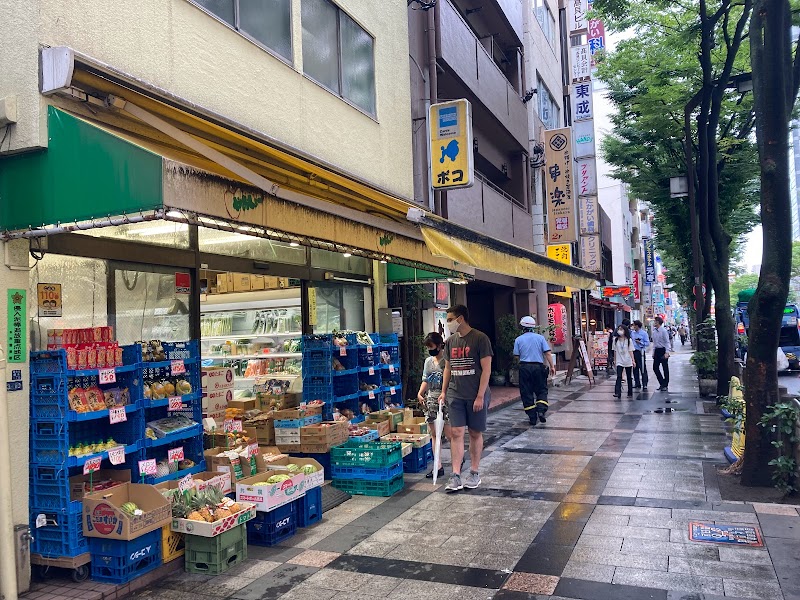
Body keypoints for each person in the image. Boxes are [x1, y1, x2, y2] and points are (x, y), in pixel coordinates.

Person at [438, 304, 493, 493]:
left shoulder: (480, 338)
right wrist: (444, 392)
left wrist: (480, 396)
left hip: (476, 394)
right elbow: (448, 368)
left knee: (475, 433)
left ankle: (475, 472)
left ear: (460, 319)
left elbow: (486, 369)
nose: (448, 323)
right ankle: (455, 475)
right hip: (456, 394)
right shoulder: (451, 341)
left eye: (450, 319)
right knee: (456, 433)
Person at [417, 332, 449, 479]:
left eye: (431, 346)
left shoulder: (447, 361)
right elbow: (426, 378)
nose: (430, 349)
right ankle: (438, 465)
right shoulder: (428, 361)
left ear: (439, 345)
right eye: (428, 347)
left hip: (445, 400)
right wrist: (420, 392)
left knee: (449, 434)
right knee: (434, 434)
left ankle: (457, 461)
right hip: (431, 400)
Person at [513, 316, 556, 426]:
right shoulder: (540, 338)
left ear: (522, 327)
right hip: (538, 367)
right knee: (541, 390)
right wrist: (552, 366)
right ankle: (541, 410)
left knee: (526, 392)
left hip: (525, 368)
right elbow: (547, 353)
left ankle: (532, 417)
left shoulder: (518, 339)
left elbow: (516, 356)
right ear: (533, 327)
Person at [613, 325, 635, 398]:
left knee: (629, 377)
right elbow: (615, 351)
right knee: (619, 376)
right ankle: (617, 392)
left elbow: (631, 351)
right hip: (619, 360)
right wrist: (615, 360)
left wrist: (633, 361)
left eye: (621, 329)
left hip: (628, 360)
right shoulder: (615, 340)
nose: (620, 331)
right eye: (619, 329)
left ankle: (630, 392)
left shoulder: (629, 340)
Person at [652, 316, 671, 391]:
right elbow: (654, 343)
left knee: (665, 368)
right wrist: (653, 352)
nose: (654, 323)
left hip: (663, 350)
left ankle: (665, 384)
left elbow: (667, 342)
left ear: (658, 322)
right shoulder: (654, 331)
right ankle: (661, 383)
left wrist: (667, 352)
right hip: (657, 350)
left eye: (655, 321)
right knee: (655, 367)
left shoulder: (663, 331)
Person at [630, 320, 650, 390]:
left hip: (640, 352)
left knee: (642, 368)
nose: (633, 327)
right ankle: (637, 383)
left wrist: (640, 342)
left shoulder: (644, 333)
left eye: (634, 325)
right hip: (634, 351)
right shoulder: (632, 333)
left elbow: (647, 343)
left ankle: (645, 383)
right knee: (635, 368)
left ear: (637, 326)